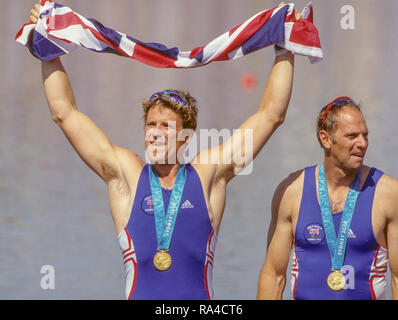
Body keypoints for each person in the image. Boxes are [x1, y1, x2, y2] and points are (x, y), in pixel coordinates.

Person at [29, 2, 298, 300]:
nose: (155, 132)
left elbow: (271, 116)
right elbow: (64, 113)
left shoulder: (208, 175)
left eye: (165, 127)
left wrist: (284, 46)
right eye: (150, 125)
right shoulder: (126, 175)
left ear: (185, 138)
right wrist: (47, 46)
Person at [257, 96, 398, 300]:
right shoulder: (291, 191)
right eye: (352, 136)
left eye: (365, 135)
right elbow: (273, 275)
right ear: (326, 139)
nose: (363, 143)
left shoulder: (388, 193)